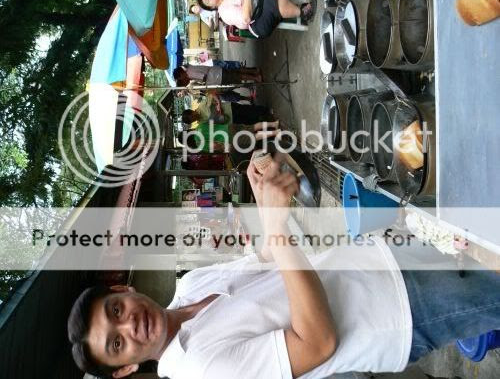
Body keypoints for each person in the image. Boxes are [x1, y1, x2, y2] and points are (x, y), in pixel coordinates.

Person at [68, 155, 500, 378]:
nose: (130, 326)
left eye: (116, 312)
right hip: (399, 313)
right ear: (125, 369)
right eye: (117, 344)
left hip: (374, 256)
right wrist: (277, 229)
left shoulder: (190, 287)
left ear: (123, 292)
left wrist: (264, 200)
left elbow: (265, 260)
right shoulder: (201, 369)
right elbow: (318, 342)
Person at [182, 93, 273, 125]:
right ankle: (266, 120)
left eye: (192, 117)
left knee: (249, 110)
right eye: (192, 120)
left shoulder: (202, 106)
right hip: (229, 120)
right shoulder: (201, 123)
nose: (194, 119)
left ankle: (266, 110)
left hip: (230, 109)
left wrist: (218, 103)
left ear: (192, 112)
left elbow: (212, 94)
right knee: (249, 122)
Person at [174, 64, 262, 89]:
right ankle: (255, 71)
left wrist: (202, 84)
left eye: (180, 78)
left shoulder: (190, 74)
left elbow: (203, 77)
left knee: (238, 76)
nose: (182, 79)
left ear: (181, 74)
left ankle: (256, 77)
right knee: (237, 71)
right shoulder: (189, 68)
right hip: (217, 72)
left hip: (217, 76)